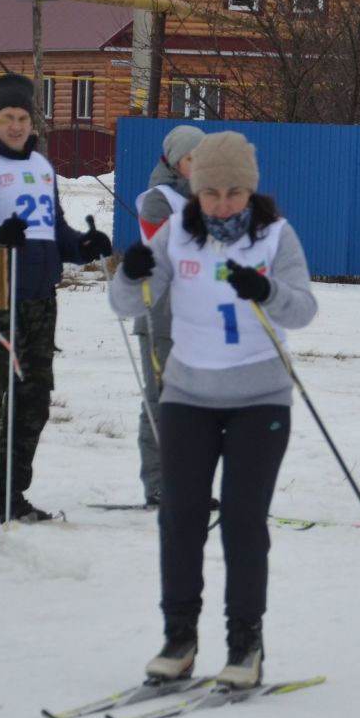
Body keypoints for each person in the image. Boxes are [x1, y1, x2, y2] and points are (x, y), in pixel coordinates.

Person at [109, 131, 319, 686]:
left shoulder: (275, 235)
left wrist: (266, 289)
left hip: (259, 398)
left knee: (243, 522)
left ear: (249, 191)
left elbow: (304, 310)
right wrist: (129, 272)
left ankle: (244, 644)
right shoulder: (177, 234)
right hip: (188, 396)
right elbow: (126, 303)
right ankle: (179, 638)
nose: (222, 204)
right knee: (180, 519)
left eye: (233, 193)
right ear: (195, 190)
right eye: (211, 193)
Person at [0, 73, 107, 522]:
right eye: (7, 117)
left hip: (40, 300)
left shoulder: (41, 167)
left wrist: (83, 247)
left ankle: (10, 494)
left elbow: (52, 230)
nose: (16, 126)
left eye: (23, 117)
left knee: (33, 402)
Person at [132, 124, 206, 507]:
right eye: (194, 158)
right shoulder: (157, 199)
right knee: (161, 401)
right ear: (178, 161)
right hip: (161, 315)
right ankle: (159, 483)